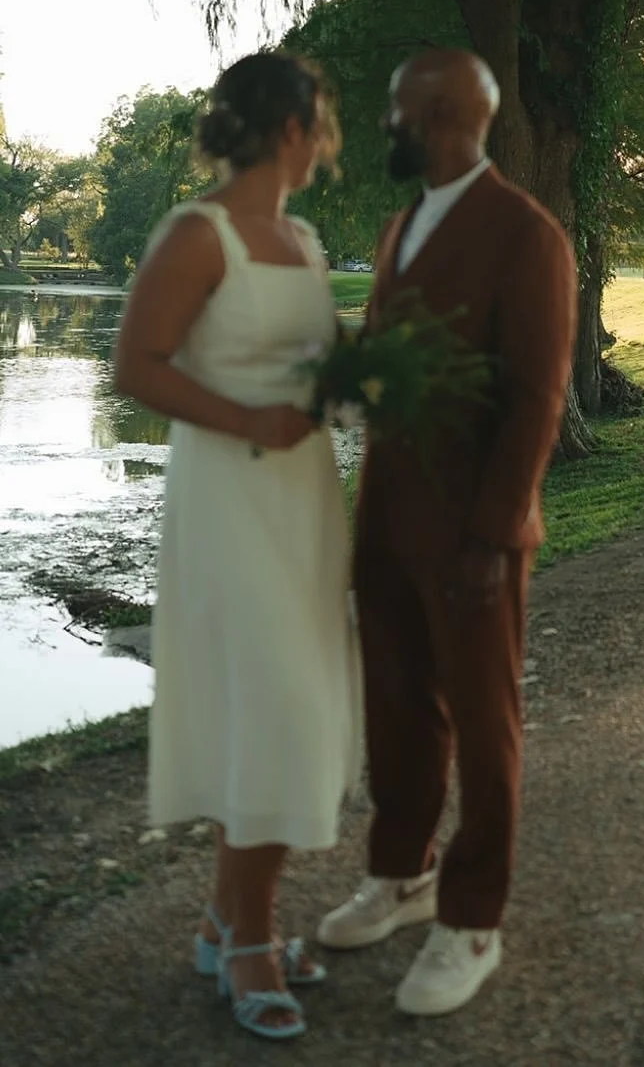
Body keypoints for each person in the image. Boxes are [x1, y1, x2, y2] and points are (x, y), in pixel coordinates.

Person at [318, 48, 577, 1016]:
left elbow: (538, 398)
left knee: (483, 721)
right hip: (386, 517)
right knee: (396, 708)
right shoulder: (397, 227)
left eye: (394, 111)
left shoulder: (527, 234)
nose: (384, 127)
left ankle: (471, 919)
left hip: (474, 535)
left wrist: (493, 533)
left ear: (439, 116)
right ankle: (402, 871)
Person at [113, 52, 362, 1042]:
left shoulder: (300, 239)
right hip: (229, 500)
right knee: (272, 705)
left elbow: (324, 365)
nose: (324, 144)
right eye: (321, 125)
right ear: (294, 128)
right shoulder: (197, 232)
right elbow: (136, 366)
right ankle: (249, 937)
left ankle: (226, 921)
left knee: (297, 703)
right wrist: (248, 420)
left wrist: (378, 371)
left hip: (304, 502)